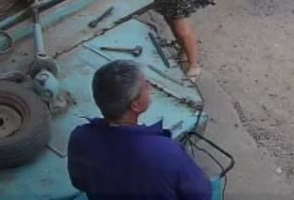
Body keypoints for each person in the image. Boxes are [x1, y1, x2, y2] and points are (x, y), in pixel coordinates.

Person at [67, 60, 213, 200]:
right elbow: (201, 195)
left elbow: (79, 182)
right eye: (144, 86)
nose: (149, 86)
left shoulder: (79, 138)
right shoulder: (167, 153)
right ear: (135, 105)